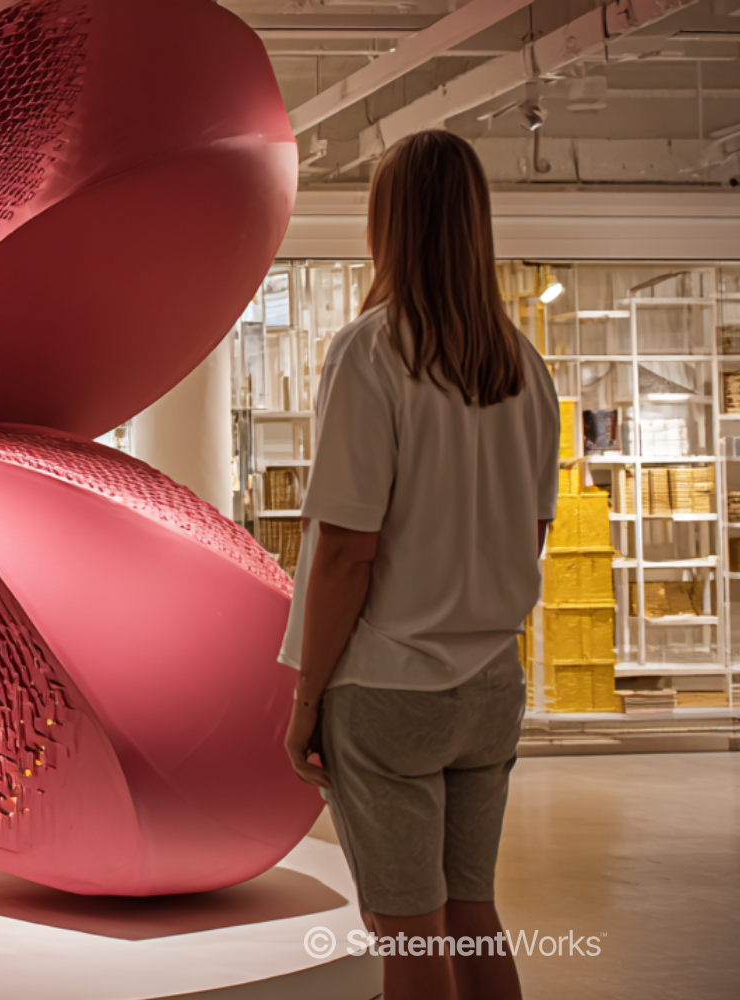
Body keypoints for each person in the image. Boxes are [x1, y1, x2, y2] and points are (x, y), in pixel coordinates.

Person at [281, 130, 556, 1000]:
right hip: (491, 683)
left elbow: (346, 552)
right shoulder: (526, 366)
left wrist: (307, 698)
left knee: (407, 935)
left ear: (386, 224)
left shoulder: (369, 352)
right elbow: (536, 525)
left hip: (390, 684)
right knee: (473, 918)